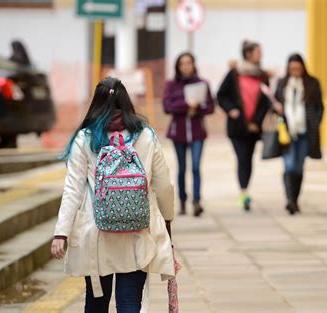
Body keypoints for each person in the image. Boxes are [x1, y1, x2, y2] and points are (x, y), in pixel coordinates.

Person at [51, 77, 175, 312]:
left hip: (96, 232)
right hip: (137, 230)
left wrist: (61, 233)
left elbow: (73, 189)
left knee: (96, 302)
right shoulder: (145, 135)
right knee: (129, 303)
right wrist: (167, 218)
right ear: (126, 101)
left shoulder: (85, 138)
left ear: (95, 103)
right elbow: (164, 184)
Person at [217, 40, 271, 211]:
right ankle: (244, 192)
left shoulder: (262, 76)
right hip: (236, 127)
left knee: (248, 159)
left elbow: (266, 102)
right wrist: (230, 109)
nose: (260, 55)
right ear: (248, 54)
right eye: (258, 51)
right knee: (242, 158)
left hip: (253, 128)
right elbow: (221, 95)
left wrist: (257, 122)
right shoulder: (234, 74)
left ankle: (245, 189)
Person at [163, 52, 214, 217]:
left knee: (196, 166)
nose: (186, 66)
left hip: (197, 132)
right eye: (182, 63)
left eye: (189, 63)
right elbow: (167, 106)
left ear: (193, 64)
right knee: (182, 168)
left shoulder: (202, 83)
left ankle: (197, 201)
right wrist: (186, 104)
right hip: (178, 132)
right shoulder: (172, 84)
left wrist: (198, 106)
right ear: (178, 66)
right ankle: (183, 200)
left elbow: (210, 107)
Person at [274, 53, 324, 215]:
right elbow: (274, 103)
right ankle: (289, 199)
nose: (295, 71)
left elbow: (320, 107)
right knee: (288, 165)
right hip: (286, 132)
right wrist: (277, 109)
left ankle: (295, 199)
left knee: (299, 166)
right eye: (292, 69)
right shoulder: (282, 84)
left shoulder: (312, 83)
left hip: (304, 131)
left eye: (298, 68)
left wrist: (315, 122)